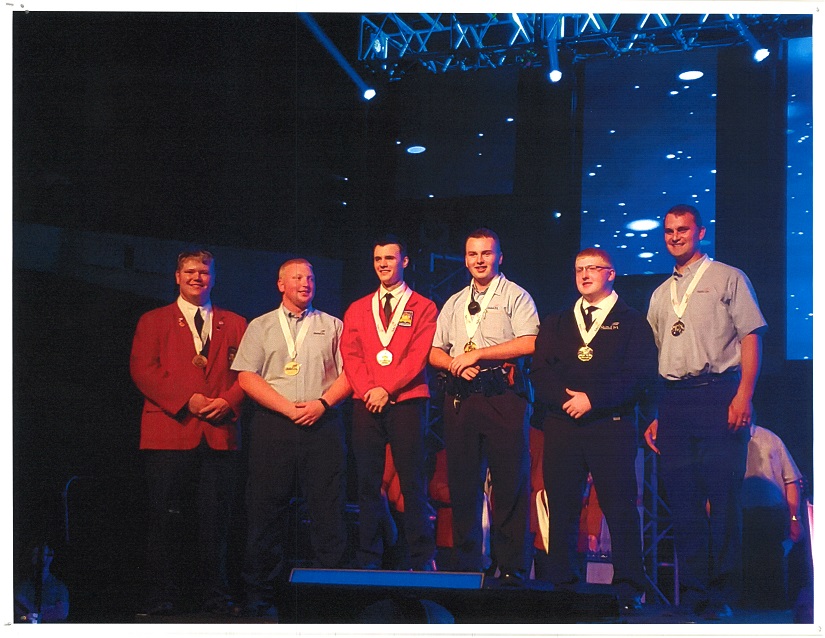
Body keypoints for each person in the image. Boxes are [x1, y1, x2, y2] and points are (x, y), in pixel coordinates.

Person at [644, 204, 767, 620]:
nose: (674, 236)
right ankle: (694, 593)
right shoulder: (661, 294)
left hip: (719, 394)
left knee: (723, 498)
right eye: (668, 231)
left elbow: (750, 338)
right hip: (676, 401)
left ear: (700, 232)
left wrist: (744, 394)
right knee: (683, 502)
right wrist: (662, 412)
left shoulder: (728, 277)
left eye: (682, 229)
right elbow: (664, 354)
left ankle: (723, 594)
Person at [530, 247, 657, 610]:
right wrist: (567, 400)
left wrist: (593, 399)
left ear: (611, 274)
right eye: (579, 269)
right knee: (564, 507)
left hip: (610, 425)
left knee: (619, 509)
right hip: (562, 423)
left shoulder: (632, 321)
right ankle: (563, 585)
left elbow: (639, 374)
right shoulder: (556, 321)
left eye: (594, 269)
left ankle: (629, 588)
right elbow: (539, 371)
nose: (585, 275)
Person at [231, 258, 352, 616]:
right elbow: (246, 377)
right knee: (266, 511)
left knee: (328, 510)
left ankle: (330, 593)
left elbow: (350, 374)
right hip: (274, 425)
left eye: (311, 277)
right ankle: (260, 593)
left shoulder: (332, 325)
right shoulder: (261, 325)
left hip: (323, 423)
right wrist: (286, 408)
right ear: (280, 284)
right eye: (297, 277)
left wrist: (323, 404)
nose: (305, 282)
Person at [130, 249, 247, 615]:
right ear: (177, 277)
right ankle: (159, 596)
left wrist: (229, 401)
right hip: (170, 431)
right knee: (163, 519)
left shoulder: (237, 323)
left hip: (219, 433)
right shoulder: (153, 320)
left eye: (205, 272)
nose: (198, 277)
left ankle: (215, 596)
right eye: (191, 272)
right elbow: (143, 369)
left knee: (217, 522)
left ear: (214, 278)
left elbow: (250, 373)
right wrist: (187, 401)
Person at [429, 228, 539, 584]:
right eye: (473, 254)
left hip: (502, 396)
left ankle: (511, 568)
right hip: (461, 396)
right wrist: (454, 363)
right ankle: (466, 565)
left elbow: (529, 342)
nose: (479, 260)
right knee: (463, 484)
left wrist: (478, 353)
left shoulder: (516, 296)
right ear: (465, 259)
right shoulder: (455, 301)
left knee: (509, 484)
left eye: (486, 253)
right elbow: (434, 350)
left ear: (499, 257)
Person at [341, 235, 438, 571]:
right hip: (366, 401)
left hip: (408, 400)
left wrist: (387, 389)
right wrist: (370, 389)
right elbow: (350, 355)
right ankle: (369, 557)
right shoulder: (357, 308)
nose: (383, 264)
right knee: (368, 482)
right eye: (378, 259)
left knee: (412, 482)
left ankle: (420, 558)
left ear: (405, 262)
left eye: (390, 258)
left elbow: (418, 356)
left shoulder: (424, 306)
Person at [742, 422, 804, 609]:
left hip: (771, 514)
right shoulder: (721, 439)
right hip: (739, 515)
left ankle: (775, 615)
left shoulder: (770, 439)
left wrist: (795, 519)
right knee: (743, 572)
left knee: (773, 568)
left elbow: (791, 480)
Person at [14, 543, 69, 623]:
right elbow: (19, 617)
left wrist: (35, 614)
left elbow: (62, 614)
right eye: (35, 554)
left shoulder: (59, 587)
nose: (39, 558)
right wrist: (26, 617)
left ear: (50, 557)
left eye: (41, 554)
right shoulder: (22, 587)